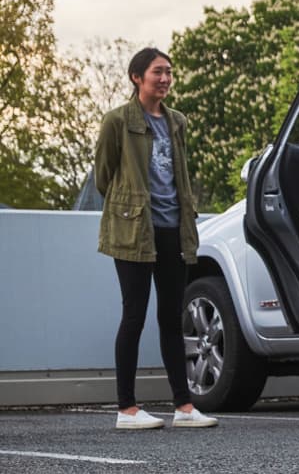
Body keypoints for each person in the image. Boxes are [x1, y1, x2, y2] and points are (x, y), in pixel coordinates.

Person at [94, 47, 218, 430]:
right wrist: (129, 208)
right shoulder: (117, 121)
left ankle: (184, 406)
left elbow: (178, 176)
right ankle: (126, 409)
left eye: (169, 72)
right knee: (134, 316)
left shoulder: (177, 121)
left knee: (170, 317)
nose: (165, 79)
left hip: (173, 231)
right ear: (137, 77)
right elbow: (104, 176)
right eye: (157, 72)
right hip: (133, 231)